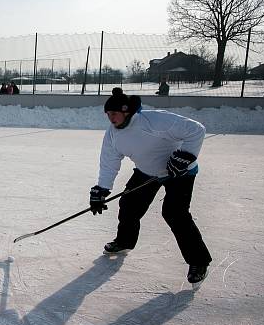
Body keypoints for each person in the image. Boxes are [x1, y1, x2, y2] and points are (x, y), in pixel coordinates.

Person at [89, 87, 212, 284]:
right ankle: (125, 241)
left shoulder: (154, 120)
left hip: (179, 173)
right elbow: (109, 161)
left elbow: (196, 130)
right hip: (147, 172)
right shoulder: (113, 134)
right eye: (108, 114)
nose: (111, 118)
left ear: (126, 111)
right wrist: (102, 189)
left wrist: (186, 156)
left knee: (175, 213)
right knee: (129, 205)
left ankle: (199, 261)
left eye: (114, 113)